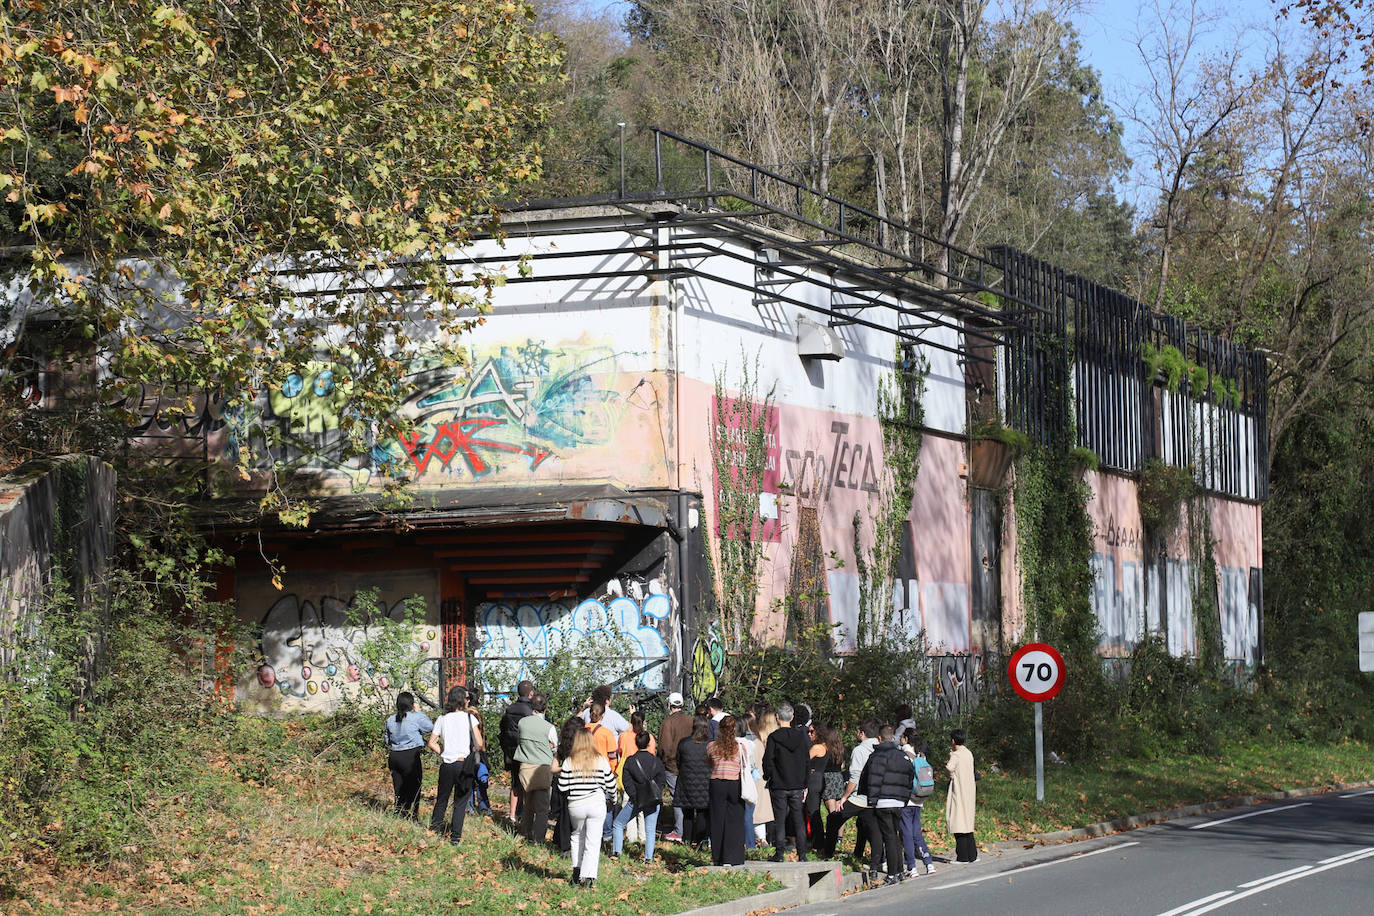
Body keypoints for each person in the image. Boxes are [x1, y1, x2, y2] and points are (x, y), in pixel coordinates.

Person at [556, 729, 616, 888]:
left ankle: (576, 871)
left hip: (576, 804)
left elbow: (562, 786)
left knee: (577, 836)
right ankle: (589, 878)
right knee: (593, 841)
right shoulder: (600, 760)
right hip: (596, 802)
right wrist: (614, 798)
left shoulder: (569, 761)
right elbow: (611, 783)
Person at [427, 687, 485, 845]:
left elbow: (431, 743)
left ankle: (434, 831)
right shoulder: (469, 718)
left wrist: (444, 752)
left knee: (442, 799)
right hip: (463, 764)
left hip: (446, 764)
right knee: (460, 802)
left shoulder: (442, 719)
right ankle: (455, 837)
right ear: (463, 700)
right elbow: (479, 743)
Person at [860, 725, 913, 885]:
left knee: (889, 837)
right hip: (898, 801)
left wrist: (872, 800)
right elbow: (909, 779)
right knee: (894, 836)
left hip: (883, 801)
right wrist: (904, 798)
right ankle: (899, 871)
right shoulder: (902, 756)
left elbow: (871, 780)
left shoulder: (877, 756)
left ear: (879, 738)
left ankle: (892, 874)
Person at [822, 718, 880, 860]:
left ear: (862, 733)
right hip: (874, 797)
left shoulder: (859, 750)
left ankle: (828, 853)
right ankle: (876, 858)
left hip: (858, 798)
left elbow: (855, 777)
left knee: (833, 819)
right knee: (868, 826)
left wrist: (844, 797)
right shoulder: (880, 747)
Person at [762, 702, 810, 862]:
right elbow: (806, 760)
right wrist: (805, 781)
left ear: (777, 717)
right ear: (792, 718)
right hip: (797, 784)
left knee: (780, 819)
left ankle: (780, 853)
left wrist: (768, 776)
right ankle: (802, 854)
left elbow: (768, 760)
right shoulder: (802, 737)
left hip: (779, 784)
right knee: (799, 820)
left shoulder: (774, 737)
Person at [612, 728, 667, 861]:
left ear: (636, 743)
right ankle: (648, 858)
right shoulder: (656, 761)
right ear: (649, 744)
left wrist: (634, 796)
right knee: (650, 830)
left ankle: (617, 853)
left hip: (636, 800)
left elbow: (626, 781)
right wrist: (656, 792)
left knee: (618, 824)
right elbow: (662, 780)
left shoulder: (630, 761)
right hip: (653, 799)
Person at [514, 692, 557, 844]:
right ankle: (538, 838)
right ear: (545, 708)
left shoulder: (522, 723)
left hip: (525, 767)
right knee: (542, 808)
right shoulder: (549, 727)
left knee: (528, 804)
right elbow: (555, 747)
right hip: (542, 769)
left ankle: (525, 831)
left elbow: (520, 740)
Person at [384, 691, 433, 819]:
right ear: (411, 704)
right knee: (415, 786)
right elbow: (429, 727)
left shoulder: (389, 720)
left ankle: (400, 812)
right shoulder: (415, 717)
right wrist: (419, 712)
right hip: (410, 756)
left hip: (394, 756)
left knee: (398, 787)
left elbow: (387, 740)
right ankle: (413, 814)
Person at [706, 714, 747, 866]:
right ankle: (734, 857)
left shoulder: (711, 746)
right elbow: (743, 766)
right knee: (735, 821)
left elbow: (709, 764)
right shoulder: (739, 747)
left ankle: (718, 857)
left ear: (720, 729)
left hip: (716, 783)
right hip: (734, 784)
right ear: (734, 729)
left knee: (717, 820)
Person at [898, 731, 937, 878]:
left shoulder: (904, 754)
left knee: (907, 833)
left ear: (906, 739)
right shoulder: (921, 755)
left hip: (907, 800)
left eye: (901, 737)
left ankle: (912, 867)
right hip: (920, 799)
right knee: (916, 832)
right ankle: (929, 863)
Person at [657, 691, 692, 842]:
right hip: (690, 765)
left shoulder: (667, 723)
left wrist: (662, 761)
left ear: (669, 705)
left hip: (672, 766)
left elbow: (664, 747)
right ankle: (690, 830)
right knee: (690, 797)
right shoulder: (691, 720)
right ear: (682, 705)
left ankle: (679, 831)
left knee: (676, 798)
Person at [673, 716, 712, 849]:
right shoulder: (710, 744)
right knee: (702, 813)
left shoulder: (684, 743)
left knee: (687, 813)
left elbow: (678, 761)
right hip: (705, 783)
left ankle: (687, 839)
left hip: (687, 782)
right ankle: (699, 841)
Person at [500, 680, 536, 823]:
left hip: (513, 751)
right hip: (528, 752)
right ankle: (527, 816)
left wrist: (506, 749)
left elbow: (503, 730)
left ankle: (513, 815)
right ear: (531, 693)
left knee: (515, 783)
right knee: (528, 785)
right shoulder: (531, 711)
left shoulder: (510, 709)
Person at [550, 715, 585, 854]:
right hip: (579, 785)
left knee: (564, 815)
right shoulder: (582, 749)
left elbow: (553, 769)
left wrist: (564, 768)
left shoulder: (562, 748)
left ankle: (563, 844)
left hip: (563, 784)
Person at [947, 728, 978, 863]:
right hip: (969, 789)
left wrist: (951, 757)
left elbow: (949, 768)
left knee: (958, 821)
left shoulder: (956, 755)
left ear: (953, 741)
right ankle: (972, 855)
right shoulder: (968, 753)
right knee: (967, 822)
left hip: (959, 790)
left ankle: (963, 856)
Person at [752, 709, 780, 848]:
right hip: (778, 779)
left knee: (760, 810)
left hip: (761, 779)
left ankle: (762, 838)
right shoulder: (779, 739)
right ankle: (775, 839)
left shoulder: (757, 742)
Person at [805, 721, 829, 848]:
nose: (809, 734)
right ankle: (818, 840)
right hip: (820, 780)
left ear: (818, 732)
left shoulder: (816, 748)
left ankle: (817, 841)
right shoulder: (826, 746)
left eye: (812, 731)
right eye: (808, 731)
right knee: (815, 810)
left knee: (813, 810)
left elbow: (804, 761)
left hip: (814, 780)